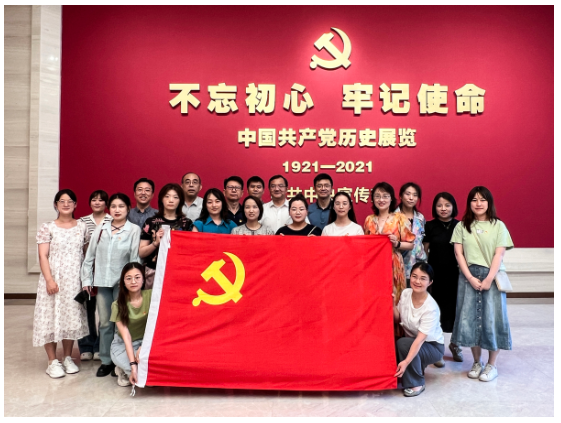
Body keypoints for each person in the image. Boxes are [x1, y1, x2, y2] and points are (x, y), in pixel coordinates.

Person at [450, 186, 514, 382]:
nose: (478, 204)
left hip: (491, 277)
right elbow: (458, 253)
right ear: (469, 203)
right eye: (474, 200)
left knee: (492, 319)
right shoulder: (462, 226)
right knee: (470, 319)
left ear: (489, 203)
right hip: (468, 276)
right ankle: (477, 362)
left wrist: (488, 279)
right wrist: (470, 277)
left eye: (482, 200)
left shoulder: (498, 226)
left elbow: (499, 254)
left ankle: (491, 365)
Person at [81, 193, 142, 377]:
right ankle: (106, 360)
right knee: (105, 323)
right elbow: (89, 257)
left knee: (121, 323)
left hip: (122, 285)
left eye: (121, 206)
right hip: (102, 282)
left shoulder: (133, 230)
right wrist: (86, 280)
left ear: (128, 209)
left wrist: (133, 284)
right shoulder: (101, 229)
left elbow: (134, 258)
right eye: (113, 206)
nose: (117, 210)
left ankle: (119, 361)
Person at [34, 189, 89, 378]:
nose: (66, 204)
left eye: (70, 201)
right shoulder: (47, 227)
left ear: (75, 205)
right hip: (54, 279)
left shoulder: (82, 227)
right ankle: (52, 361)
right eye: (62, 201)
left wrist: (85, 280)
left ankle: (67, 357)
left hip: (74, 281)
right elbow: (43, 255)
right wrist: (49, 280)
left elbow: (86, 254)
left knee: (70, 318)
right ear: (56, 205)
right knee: (49, 318)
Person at [423, 192, 463, 365]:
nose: (443, 208)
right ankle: (437, 350)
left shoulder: (460, 226)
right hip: (435, 277)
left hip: (456, 276)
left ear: (453, 206)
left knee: (457, 312)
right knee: (435, 312)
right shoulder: (429, 226)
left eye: (447, 205)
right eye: (439, 205)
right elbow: (424, 251)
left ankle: (456, 345)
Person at [394, 262, 445, 397]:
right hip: (412, 341)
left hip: (432, 346)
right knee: (399, 343)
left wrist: (406, 362)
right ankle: (414, 368)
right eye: (414, 276)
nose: (417, 281)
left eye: (423, 278)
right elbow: (398, 318)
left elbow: (420, 340)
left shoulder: (430, 308)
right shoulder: (406, 293)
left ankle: (417, 383)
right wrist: (391, 304)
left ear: (430, 282)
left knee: (403, 343)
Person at [363, 182, 415, 306]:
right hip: (373, 265)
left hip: (393, 264)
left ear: (391, 198)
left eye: (385, 196)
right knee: (375, 300)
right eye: (377, 196)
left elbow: (411, 245)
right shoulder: (369, 220)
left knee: (394, 301)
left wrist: (397, 244)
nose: (381, 200)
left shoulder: (400, 218)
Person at [78, 190, 112, 362]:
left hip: (106, 271)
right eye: (94, 200)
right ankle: (86, 346)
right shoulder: (82, 222)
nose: (97, 202)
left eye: (101, 200)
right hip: (86, 270)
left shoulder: (112, 220)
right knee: (86, 309)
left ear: (106, 203)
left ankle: (100, 346)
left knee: (104, 310)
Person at [140, 183, 193, 288]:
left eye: (175, 197)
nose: (171, 200)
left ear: (180, 201)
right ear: (161, 199)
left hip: (177, 271)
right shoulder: (151, 222)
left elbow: (190, 252)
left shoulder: (186, 223)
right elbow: (141, 253)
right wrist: (155, 243)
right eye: (167, 196)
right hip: (153, 271)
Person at [110, 262, 152, 387]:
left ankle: (128, 369)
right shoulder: (117, 305)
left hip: (147, 342)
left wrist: (144, 347)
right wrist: (133, 365)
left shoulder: (151, 296)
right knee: (139, 373)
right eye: (128, 278)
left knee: (150, 373)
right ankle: (123, 370)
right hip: (123, 345)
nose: (133, 281)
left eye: (137, 277)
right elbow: (126, 337)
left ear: (143, 279)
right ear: (123, 282)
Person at [396, 182, 427, 287]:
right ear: (401, 196)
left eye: (415, 195)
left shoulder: (420, 217)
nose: (411, 198)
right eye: (407, 194)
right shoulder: (393, 216)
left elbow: (422, 242)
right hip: (398, 266)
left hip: (418, 267)